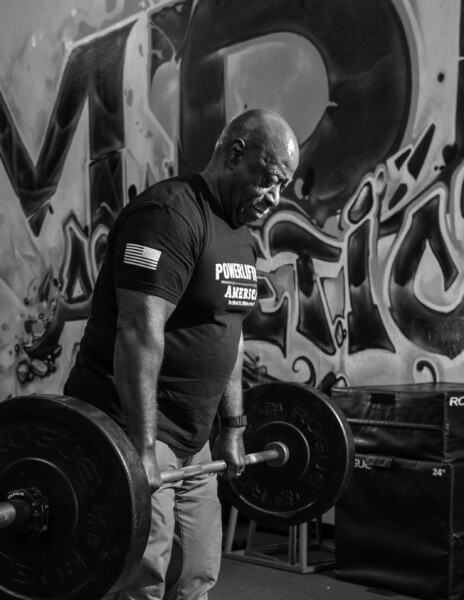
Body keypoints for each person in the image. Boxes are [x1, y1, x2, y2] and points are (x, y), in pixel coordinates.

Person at [64, 108, 299, 599]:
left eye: (284, 187)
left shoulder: (239, 236)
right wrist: (143, 449)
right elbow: (137, 333)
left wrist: (233, 428)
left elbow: (228, 338)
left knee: (197, 572)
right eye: (270, 180)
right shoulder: (170, 215)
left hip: (194, 441)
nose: (275, 199)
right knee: (139, 578)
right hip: (136, 430)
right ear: (236, 154)